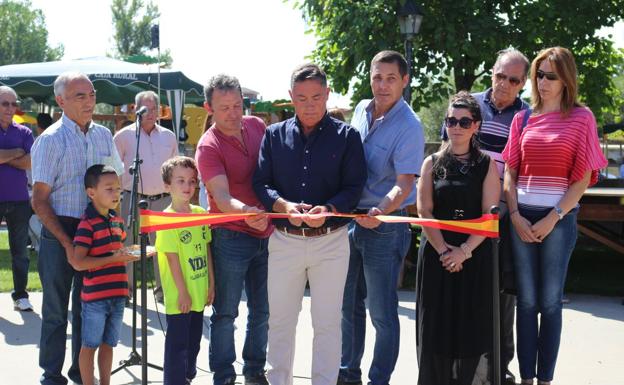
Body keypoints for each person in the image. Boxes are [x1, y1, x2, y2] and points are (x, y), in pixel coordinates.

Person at [253, 63, 367, 385]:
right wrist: (282, 205)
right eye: (301, 98)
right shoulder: (273, 136)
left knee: (328, 323)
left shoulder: (348, 137)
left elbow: (354, 186)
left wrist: (329, 208)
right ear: (291, 97)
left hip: (331, 241)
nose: (309, 104)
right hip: (285, 240)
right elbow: (261, 183)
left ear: (327, 94)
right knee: (280, 322)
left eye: (316, 97)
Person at [502, 47, 607, 385]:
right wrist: (515, 215)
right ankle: (527, 378)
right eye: (539, 75)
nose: (542, 82)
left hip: (558, 222)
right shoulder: (523, 118)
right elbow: (510, 172)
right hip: (522, 217)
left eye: (550, 76)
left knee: (549, 303)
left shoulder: (581, 117)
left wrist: (554, 216)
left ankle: (546, 379)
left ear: (566, 80)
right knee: (527, 302)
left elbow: (582, 178)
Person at [440, 47, 530, 384]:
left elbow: (521, 169)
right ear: (491, 72)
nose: (504, 84)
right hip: (456, 207)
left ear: (523, 83)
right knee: (457, 286)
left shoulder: (527, 116)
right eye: (499, 75)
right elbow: (444, 151)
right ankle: (456, 361)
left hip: (500, 210)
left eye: (514, 80)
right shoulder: (467, 107)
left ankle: (498, 365)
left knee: (501, 294)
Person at [31, 71, 123, 385]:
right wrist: (68, 245)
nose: (89, 101)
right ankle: (52, 375)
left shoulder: (103, 136)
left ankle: (81, 375)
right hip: (60, 229)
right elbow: (39, 200)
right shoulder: (50, 140)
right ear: (60, 101)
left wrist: (114, 229)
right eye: (79, 96)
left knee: (89, 309)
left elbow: (115, 185)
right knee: (56, 309)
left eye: (92, 94)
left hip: (96, 230)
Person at [338, 50, 424, 385]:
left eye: (391, 78)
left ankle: (379, 380)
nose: (383, 85)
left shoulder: (410, 126)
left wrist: (380, 211)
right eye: (377, 77)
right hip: (349, 222)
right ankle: (349, 374)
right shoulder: (360, 108)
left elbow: (404, 186)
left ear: (404, 81)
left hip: (385, 225)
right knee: (348, 306)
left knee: (382, 314)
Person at [416, 91, 500, 384]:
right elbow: (424, 210)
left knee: (470, 325)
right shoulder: (431, 163)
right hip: (437, 254)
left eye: (465, 122)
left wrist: (463, 251)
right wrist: (443, 251)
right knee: (436, 328)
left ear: (476, 125)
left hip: (473, 256)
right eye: (451, 120)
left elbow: (490, 215)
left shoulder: (487, 164)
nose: (457, 127)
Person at [195, 74, 271, 385]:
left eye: (238, 105)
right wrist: (247, 212)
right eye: (224, 107)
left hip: (266, 233)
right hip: (230, 236)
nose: (234, 113)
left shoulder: (257, 126)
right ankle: (224, 376)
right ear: (208, 108)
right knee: (226, 313)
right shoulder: (207, 146)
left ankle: (254, 371)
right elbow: (222, 197)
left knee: (262, 311)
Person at [69, 165, 139, 385]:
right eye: (109, 188)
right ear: (91, 193)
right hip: (95, 300)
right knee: (89, 345)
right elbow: (79, 263)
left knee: (109, 344)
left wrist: (130, 255)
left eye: (118, 188)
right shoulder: (86, 224)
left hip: (118, 295)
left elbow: (119, 250)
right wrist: (115, 258)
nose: (116, 193)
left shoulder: (117, 221)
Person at [155, 156, 215, 385]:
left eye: (192, 181)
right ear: (167, 186)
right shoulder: (166, 219)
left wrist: (211, 283)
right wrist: (182, 292)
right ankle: (174, 380)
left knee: (194, 343)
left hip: (199, 293)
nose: (187, 186)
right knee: (177, 345)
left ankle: (186, 378)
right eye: (180, 181)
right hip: (181, 296)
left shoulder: (200, 213)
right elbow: (171, 260)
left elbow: (207, 249)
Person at [114, 90, 178, 303]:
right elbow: (113, 169)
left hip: (163, 200)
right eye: (145, 109)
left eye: (154, 109)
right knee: (130, 248)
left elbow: (175, 169)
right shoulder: (123, 136)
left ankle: (163, 291)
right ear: (136, 110)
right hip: (132, 199)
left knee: (164, 247)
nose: (150, 113)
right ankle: (126, 291)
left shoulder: (169, 136)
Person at [0, 85, 34, 312]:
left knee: (20, 251)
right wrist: (15, 152)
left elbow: (31, 161)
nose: (11, 108)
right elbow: (22, 157)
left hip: (20, 200)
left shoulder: (24, 133)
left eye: (14, 103)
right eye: (5, 103)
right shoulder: (20, 140)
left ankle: (21, 295)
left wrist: (4, 156)